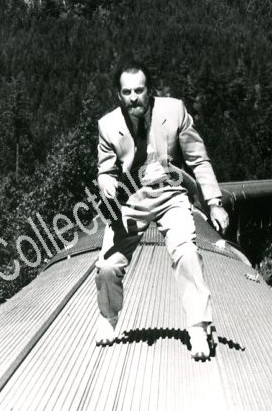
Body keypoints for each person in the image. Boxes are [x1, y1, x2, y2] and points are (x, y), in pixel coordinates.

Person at [93, 60, 229, 360]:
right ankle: (109, 317)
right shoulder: (108, 126)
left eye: (139, 90)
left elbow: (198, 159)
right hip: (132, 199)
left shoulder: (175, 111)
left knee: (187, 253)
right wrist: (106, 184)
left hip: (171, 192)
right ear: (118, 95)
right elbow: (105, 171)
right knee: (108, 266)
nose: (133, 98)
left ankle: (198, 327)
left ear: (149, 90)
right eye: (127, 92)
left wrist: (214, 203)